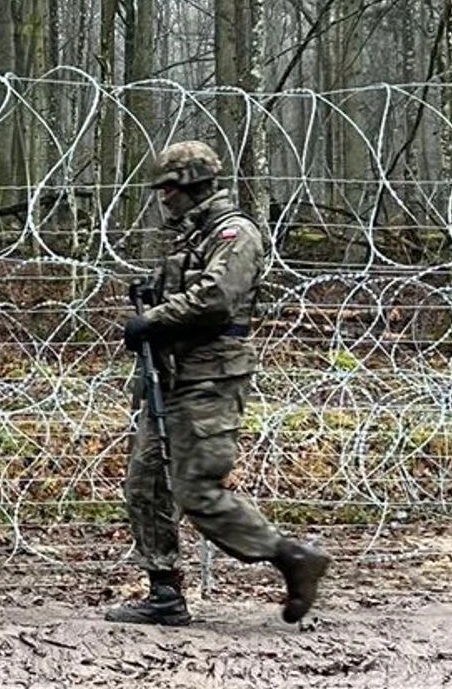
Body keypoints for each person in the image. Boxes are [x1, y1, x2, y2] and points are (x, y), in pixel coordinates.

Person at [112, 140, 329, 627]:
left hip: (210, 376)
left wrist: (154, 320)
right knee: (145, 485)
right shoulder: (194, 237)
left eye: (169, 188)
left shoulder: (235, 234)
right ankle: (164, 593)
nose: (163, 198)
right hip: (171, 375)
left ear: (193, 185)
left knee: (197, 491)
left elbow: (216, 299)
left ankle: (291, 557)